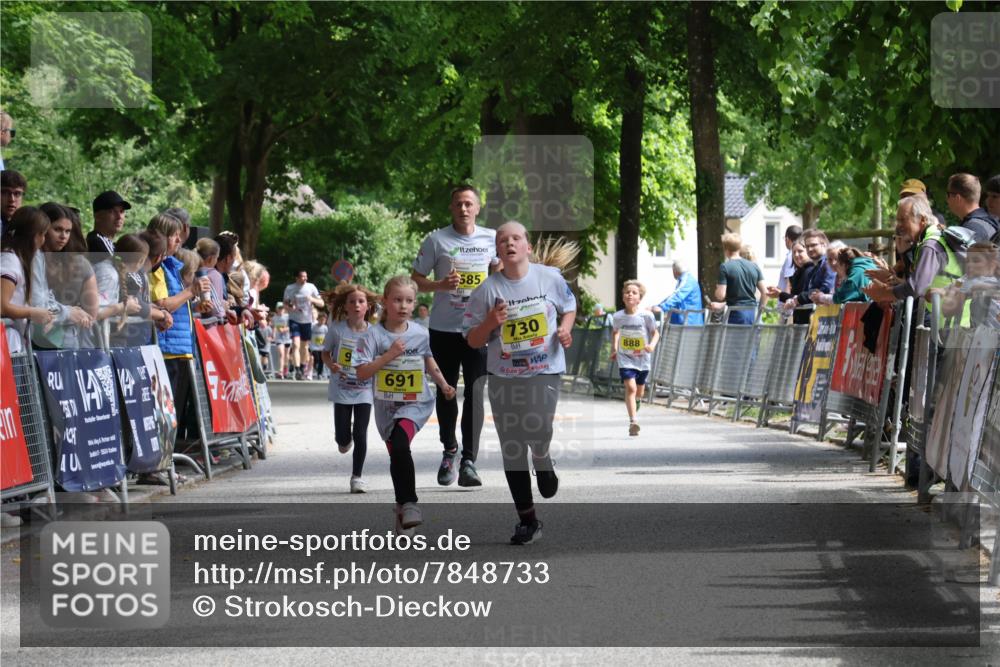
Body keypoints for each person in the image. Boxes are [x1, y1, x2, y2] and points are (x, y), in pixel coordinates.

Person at [464, 221, 576, 545]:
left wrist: (565, 329)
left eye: (516, 238)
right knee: (512, 446)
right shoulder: (487, 291)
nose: (509, 243)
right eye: (503, 240)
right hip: (503, 375)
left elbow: (568, 307)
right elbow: (472, 340)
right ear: (497, 250)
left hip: (545, 368)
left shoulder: (549, 278)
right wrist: (490, 322)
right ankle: (527, 520)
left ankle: (541, 454)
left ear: (527, 246)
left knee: (537, 423)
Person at [411, 185, 499, 487]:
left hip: (478, 328)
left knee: (475, 393)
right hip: (444, 328)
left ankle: (469, 461)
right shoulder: (436, 240)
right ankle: (449, 450)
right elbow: (416, 281)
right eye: (459, 204)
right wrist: (440, 286)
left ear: (478, 208)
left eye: (469, 204)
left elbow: (503, 276)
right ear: (451, 208)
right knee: (446, 391)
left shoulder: (491, 238)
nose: (463, 209)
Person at [354, 275, 455, 536]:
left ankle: (410, 504)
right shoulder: (372, 336)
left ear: (414, 304)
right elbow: (362, 373)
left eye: (409, 301)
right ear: (385, 301)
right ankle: (401, 506)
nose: (403, 306)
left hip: (415, 403)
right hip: (386, 407)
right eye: (397, 300)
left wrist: (443, 384)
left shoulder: (420, 333)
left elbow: (428, 361)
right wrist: (388, 356)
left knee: (401, 444)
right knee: (397, 454)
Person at [864, 197, 967, 325]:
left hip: (951, 326)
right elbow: (922, 286)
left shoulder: (930, 244)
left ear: (922, 220)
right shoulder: (931, 239)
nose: (898, 226)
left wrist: (884, 293)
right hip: (949, 323)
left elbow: (915, 287)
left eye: (903, 219)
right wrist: (893, 280)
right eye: (897, 220)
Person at [322, 283, 379, 493]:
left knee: (361, 432)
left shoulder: (374, 333)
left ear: (368, 306)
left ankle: (357, 477)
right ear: (345, 306)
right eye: (352, 301)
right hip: (342, 389)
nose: (357, 304)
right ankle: (344, 439)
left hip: (364, 390)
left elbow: (379, 358)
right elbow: (325, 354)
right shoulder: (337, 330)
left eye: (361, 301)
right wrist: (332, 365)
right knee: (343, 439)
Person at [39, 202, 97, 349]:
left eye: (67, 231)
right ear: (42, 228)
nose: (63, 236)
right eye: (57, 229)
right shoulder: (29, 259)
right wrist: (71, 312)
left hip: (66, 341)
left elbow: (91, 313)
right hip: (31, 340)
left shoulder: (80, 264)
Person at [0, 206, 55, 353]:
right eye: (42, 234)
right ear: (31, 235)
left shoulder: (19, 260)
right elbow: (2, 306)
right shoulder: (9, 261)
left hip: (16, 343)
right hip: (7, 344)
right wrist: (32, 312)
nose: (43, 240)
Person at [610, 280, 659, 436]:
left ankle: (637, 401)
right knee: (630, 387)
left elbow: (655, 333)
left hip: (642, 359)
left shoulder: (647, 316)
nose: (630, 294)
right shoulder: (618, 316)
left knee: (639, 392)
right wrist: (614, 348)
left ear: (639, 298)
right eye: (627, 292)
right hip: (625, 357)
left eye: (634, 292)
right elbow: (616, 332)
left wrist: (651, 345)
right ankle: (633, 422)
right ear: (623, 297)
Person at [937, 242, 1000, 328]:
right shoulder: (967, 279)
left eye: (976, 261)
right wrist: (941, 291)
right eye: (967, 261)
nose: (970, 265)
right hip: (981, 336)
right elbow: (955, 286)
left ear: (992, 264)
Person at [94, 235, 145, 336]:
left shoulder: (112, 271)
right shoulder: (109, 275)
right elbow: (94, 312)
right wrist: (123, 307)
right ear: (140, 262)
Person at [711, 232, 767, 325]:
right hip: (753, 314)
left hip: (735, 314)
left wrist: (717, 289)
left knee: (736, 340)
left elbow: (721, 295)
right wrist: (759, 311)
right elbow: (765, 292)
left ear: (726, 249)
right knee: (751, 340)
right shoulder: (754, 266)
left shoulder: (725, 267)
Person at [784, 229, 836, 316]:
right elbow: (805, 292)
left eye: (813, 245)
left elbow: (826, 289)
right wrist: (795, 299)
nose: (810, 249)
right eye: (807, 246)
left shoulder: (829, 264)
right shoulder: (815, 268)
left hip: (826, 318)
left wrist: (799, 298)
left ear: (824, 245)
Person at [283, 270, 324, 380]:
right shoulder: (290, 288)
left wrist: (312, 299)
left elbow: (322, 303)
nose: (305, 279)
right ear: (296, 278)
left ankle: (302, 367)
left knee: (304, 347)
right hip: (294, 320)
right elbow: (285, 304)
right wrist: (291, 308)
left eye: (306, 276)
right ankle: (297, 370)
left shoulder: (311, 287)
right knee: (296, 344)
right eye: (302, 277)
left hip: (307, 321)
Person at [946, 173, 999, 244]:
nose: (988, 201)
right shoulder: (983, 223)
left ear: (958, 198)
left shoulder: (974, 228)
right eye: (988, 196)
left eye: (994, 196)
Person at [811, 247, 876, 305]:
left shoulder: (856, 275)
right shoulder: (866, 265)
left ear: (844, 264)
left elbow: (842, 297)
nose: (835, 265)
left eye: (838, 265)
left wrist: (821, 297)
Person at [652, 260, 704, 325]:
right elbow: (674, 297)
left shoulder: (687, 280)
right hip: (687, 322)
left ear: (675, 271)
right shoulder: (686, 280)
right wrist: (659, 306)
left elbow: (677, 296)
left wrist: (661, 307)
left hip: (688, 324)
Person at [87, 190, 130, 260]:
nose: (119, 217)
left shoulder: (109, 244)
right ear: (97, 216)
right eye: (112, 211)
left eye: (122, 211)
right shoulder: (96, 242)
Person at [194, 238, 227, 321]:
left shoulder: (190, 272)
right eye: (217, 258)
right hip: (210, 326)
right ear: (211, 259)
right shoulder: (215, 275)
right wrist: (224, 308)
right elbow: (216, 309)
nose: (216, 261)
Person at [777, 225, 803, 292]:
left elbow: (789, 283)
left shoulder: (791, 256)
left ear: (787, 239)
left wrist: (786, 300)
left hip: (786, 299)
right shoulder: (801, 256)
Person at [272, 302, 292, 378]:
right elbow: (273, 327)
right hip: (279, 338)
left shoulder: (287, 317)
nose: (281, 310)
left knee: (286, 355)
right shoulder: (274, 317)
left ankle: (285, 370)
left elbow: (292, 326)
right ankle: (280, 371)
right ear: (277, 309)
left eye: (282, 308)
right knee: (281, 354)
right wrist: (273, 334)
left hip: (287, 338)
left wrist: (285, 329)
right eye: (279, 308)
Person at [310, 312, 329, 380]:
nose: (322, 321)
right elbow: (310, 334)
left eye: (324, 320)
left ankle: (319, 374)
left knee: (321, 361)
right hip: (314, 346)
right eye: (321, 320)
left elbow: (327, 336)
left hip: (322, 347)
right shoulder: (313, 326)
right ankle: (315, 366)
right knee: (316, 358)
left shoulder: (325, 328)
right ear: (318, 319)